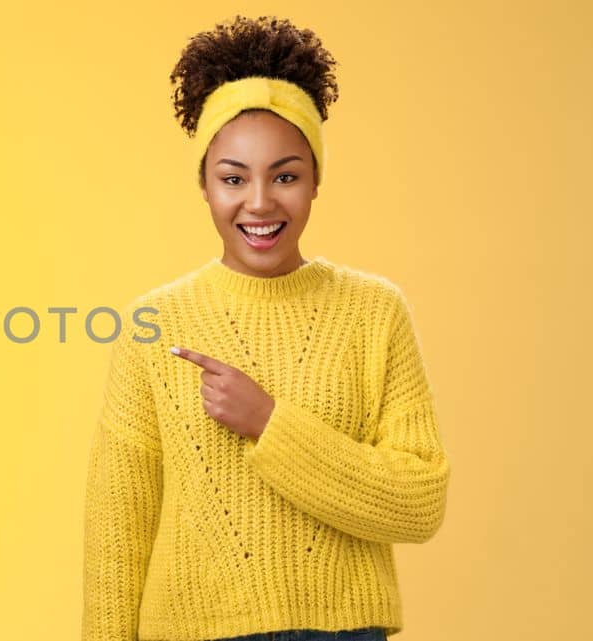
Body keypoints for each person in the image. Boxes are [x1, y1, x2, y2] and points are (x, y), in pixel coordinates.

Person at [81, 15, 450, 641]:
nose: (258, 202)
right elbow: (119, 529)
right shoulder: (155, 324)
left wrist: (269, 423)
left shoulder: (374, 312)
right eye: (233, 178)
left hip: (345, 632)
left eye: (285, 175)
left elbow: (418, 502)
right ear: (204, 186)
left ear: (315, 182)